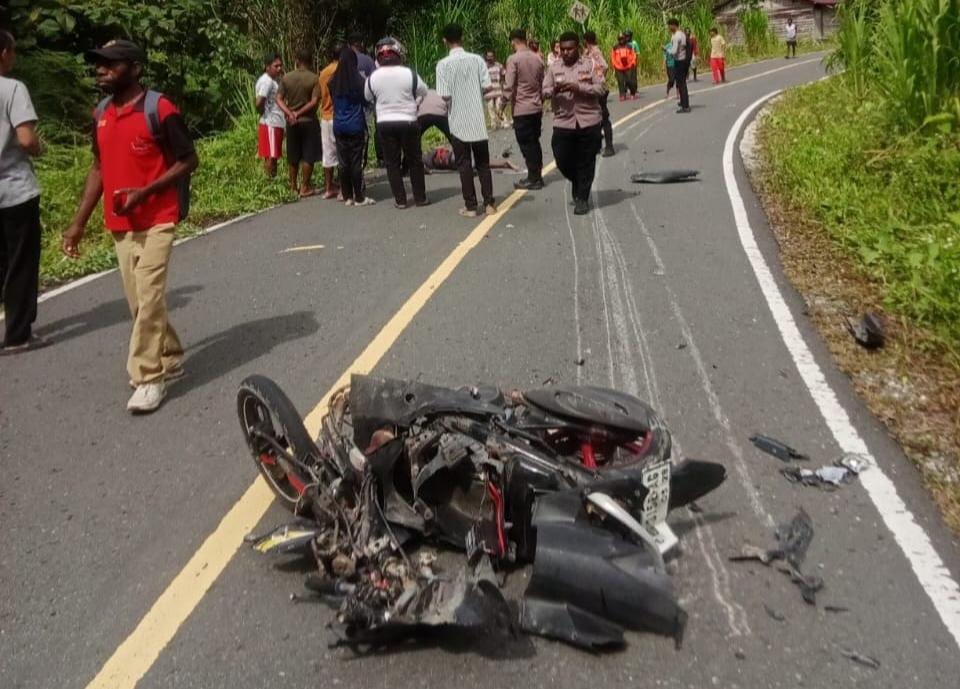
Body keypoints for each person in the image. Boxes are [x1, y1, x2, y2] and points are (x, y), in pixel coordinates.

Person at [61, 40, 198, 413]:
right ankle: (170, 354)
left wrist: (146, 192)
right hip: (120, 223)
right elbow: (98, 168)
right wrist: (77, 224)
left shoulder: (160, 108)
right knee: (140, 301)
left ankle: (148, 377)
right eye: (99, 64)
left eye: (111, 64)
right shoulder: (101, 113)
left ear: (136, 68)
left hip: (158, 218)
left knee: (149, 294)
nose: (101, 70)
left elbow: (188, 159)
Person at [0, 30, 46, 355]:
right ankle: (17, 334)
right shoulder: (12, 88)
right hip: (14, 190)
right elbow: (27, 138)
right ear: (4, 53)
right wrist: (40, 149)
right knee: (20, 261)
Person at [436, 23, 496, 218]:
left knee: (464, 165)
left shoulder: (443, 65)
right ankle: (489, 204)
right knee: (483, 164)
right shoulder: (477, 60)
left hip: (458, 122)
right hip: (477, 120)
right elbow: (487, 87)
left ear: (445, 40)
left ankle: (471, 206)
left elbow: (444, 95)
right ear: (462, 37)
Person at [543, 32, 604, 216]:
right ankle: (579, 180)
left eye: (570, 49)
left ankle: (582, 199)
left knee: (587, 160)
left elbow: (601, 88)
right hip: (564, 121)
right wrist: (551, 91)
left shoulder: (590, 64)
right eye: (563, 49)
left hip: (589, 120)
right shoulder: (554, 68)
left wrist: (579, 87)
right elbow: (545, 88)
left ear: (577, 47)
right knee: (561, 157)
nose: (566, 52)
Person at [365, 38, 429, 209]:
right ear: (399, 55)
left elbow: (367, 96)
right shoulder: (409, 73)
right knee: (414, 160)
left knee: (392, 163)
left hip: (385, 123)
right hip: (408, 120)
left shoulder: (373, 77)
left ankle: (400, 200)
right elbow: (423, 90)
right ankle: (420, 198)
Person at [330, 46, 374, 208]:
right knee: (356, 161)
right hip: (355, 125)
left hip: (339, 125)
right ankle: (359, 197)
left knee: (343, 162)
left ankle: (347, 196)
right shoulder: (358, 81)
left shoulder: (333, 81)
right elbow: (366, 100)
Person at [502, 28, 545, 191]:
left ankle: (534, 178)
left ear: (513, 41)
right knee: (535, 141)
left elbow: (509, 85)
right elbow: (543, 82)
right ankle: (537, 174)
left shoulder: (513, 59)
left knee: (526, 144)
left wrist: (502, 103)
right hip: (536, 107)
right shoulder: (537, 58)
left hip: (522, 108)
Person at [276, 48, 321, 197]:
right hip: (308, 121)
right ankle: (305, 187)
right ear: (309, 60)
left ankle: (293, 187)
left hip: (292, 122)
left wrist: (290, 113)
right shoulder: (314, 78)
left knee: (293, 155)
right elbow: (314, 101)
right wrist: (299, 113)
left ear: (297, 60)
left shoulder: (286, 78)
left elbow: (278, 99)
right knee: (308, 155)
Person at [583, 31, 614, 157]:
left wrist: (599, 78)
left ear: (585, 41)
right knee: (594, 118)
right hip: (593, 89)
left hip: (598, 88)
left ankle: (609, 146)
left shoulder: (595, 52)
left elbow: (604, 66)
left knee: (603, 117)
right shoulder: (589, 53)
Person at [254, 52, 284, 178]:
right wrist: (263, 113)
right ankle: (270, 182)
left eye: (280, 66)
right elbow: (259, 101)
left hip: (274, 122)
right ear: (267, 67)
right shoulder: (267, 82)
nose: (279, 69)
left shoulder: (271, 81)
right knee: (271, 156)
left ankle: (272, 180)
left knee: (273, 155)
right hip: (270, 122)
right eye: (275, 66)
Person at [317, 44, 341, 199]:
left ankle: (328, 187)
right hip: (339, 116)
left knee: (328, 155)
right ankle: (343, 188)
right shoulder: (342, 70)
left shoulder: (323, 72)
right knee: (342, 153)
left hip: (325, 116)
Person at [422, 145, 518, 173]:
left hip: (452, 159)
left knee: (479, 163)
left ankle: (504, 164)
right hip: (452, 159)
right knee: (481, 163)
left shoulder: (425, 159)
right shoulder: (429, 155)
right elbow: (440, 149)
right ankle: (504, 164)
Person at [667, 19, 690, 114]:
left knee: (681, 84)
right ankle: (684, 102)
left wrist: (667, 50)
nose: (668, 28)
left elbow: (674, 51)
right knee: (682, 83)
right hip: (684, 60)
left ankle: (685, 106)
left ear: (674, 25)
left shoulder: (676, 36)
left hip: (679, 61)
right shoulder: (682, 34)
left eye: (669, 25)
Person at [484, 50, 508, 130]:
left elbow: (503, 74)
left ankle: (504, 122)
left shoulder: (499, 65)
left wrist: (503, 85)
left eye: (491, 56)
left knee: (499, 106)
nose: (490, 58)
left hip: (498, 89)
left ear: (494, 56)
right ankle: (493, 124)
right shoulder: (484, 66)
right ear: (486, 57)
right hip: (488, 90)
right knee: (490, 107)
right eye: (488, 56)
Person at [611, 32, 638, 101]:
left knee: (629, 81)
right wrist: (614, 65)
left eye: (622, 38)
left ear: (624, 38)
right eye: (620, 39)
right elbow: (613, 57)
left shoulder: (629, 46)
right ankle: (622, 95)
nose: (621, 40)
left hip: (628, 67)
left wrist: (632, 63)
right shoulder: (615, 47)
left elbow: (633, 55)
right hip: (618, 67)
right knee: (620, 81)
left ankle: (632, 93)